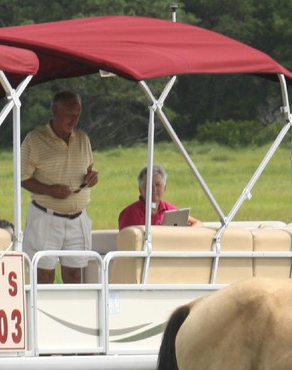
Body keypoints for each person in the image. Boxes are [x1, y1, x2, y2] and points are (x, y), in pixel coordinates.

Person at [20, 91, 99, 284]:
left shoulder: (83, 139)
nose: (74, 120)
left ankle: (72, 306)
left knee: (74, 275)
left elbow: (90, 169)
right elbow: (22, 178)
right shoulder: (34, 139)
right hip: (46, 217)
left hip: (78, 219)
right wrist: (50, 190)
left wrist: (92, 178)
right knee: (44, 275)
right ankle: (41, 305)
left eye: (78, 114)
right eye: (70, 114)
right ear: (55, 110)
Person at [117, 165, 202, 230]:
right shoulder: (130, 213)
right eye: (149, 185)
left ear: (164, 188)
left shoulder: (170, 210)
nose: (153, 189)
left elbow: (198, 223)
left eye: (158, 185)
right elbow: (125, 240)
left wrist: (187, 232)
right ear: (140, 189)